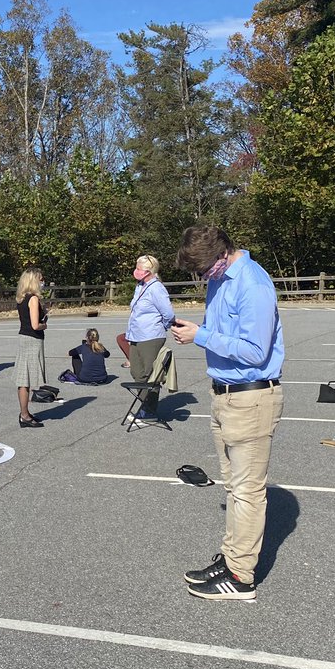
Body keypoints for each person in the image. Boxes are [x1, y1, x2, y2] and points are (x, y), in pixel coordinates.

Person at [172, 226, 285, 602]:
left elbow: (255, 351)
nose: (202, 278)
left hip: (251, 398)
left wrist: (200, 336)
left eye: (204, 270)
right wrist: (199, 331)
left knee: (248, 492)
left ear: (222, 253)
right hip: (224, 395)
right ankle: (233, 556)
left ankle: (241, 577)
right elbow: (225, 334)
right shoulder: (219, 280)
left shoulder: (252, 284)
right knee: (234, 488)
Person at [126, 255, 175, 419]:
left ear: (148, 270)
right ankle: (145, 405)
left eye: (139, 268)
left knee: (150, 375)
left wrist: (163, 327)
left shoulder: (156, 288)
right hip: (136, 335)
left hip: (151, 336)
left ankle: (149, 410)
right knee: (136, 372)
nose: (136, 271)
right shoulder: (140, 286)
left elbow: (168, 313)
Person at [13, 266, 48, 428]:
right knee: (25, 379)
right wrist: (44, 325)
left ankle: (24, 412)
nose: (43, 282)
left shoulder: (21, 298)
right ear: (34, 281)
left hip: (23, 337)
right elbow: (35, 325)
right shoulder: (33, 299)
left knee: (23, 378)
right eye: (40, 279)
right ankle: (24, 415)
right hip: (32, 339)